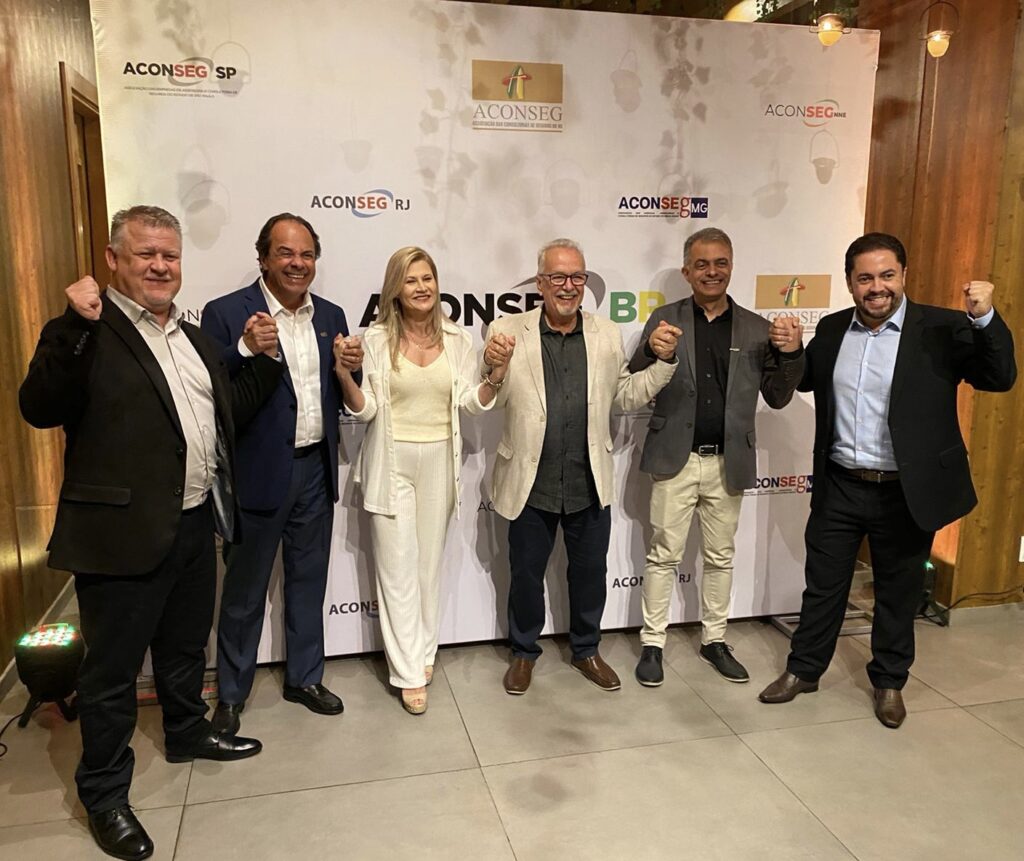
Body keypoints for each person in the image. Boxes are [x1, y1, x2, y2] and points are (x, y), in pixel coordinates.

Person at [19, 205, 282, 861]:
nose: (161, 266)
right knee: (111, 676)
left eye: (170, 255)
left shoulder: (192, 338)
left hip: (193, 522)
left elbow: (224, 414)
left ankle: (187, 731)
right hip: (118, 535)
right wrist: (75, 326)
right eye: (146, 254)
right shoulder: (88, 328)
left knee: (185, 647)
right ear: (114, 260)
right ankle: (105, 795)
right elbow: (39, 406)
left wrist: (262, 360)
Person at [759, 232, 1017, 728]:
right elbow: (804, 379)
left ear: (903, 275)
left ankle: (889, 681)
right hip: (840, 483)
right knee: (823, 586)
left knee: (898, 592)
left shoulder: (942, 327)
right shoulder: (833, 328)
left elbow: (999, 377)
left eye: (886, 275)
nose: (876, 286)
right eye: (865, 278)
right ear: (850, 283)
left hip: (906, 490)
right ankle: (804, 670)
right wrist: (790, 350)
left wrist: (985, 318)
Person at [484, 238, 680, 695]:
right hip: (528, 480)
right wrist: (493, 368)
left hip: (588, 479)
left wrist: (664, 361)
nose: (568, 286)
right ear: (540, 283)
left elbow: (624, 397)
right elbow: (491, 399)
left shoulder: (606, 333)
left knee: (590, 575)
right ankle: (523, 652)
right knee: (525, 576)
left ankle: (586, 649)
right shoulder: (506, 329)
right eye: (558, 276)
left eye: (577, 277)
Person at [200, 213, 362, 735]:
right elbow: (210, 391)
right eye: (286, 253)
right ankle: (231, 694)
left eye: (307, 254)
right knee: (244, 593)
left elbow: (342, 390)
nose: (298, 263)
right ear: (263, 258)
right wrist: (245, 349)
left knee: (309, 582)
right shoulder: (226, 313)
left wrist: (352, 365)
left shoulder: (330, 314)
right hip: (257, 475)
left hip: (315, 468)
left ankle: (305, 678)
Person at [336, 247, 510, 714]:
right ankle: (408, 672)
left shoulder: (458, 338)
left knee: (428, 567)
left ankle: (423, 652)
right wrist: (344, 376)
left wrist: (496, 374)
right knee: (397, 571)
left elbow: (472, 403)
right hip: (389, 460)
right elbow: (366, 409)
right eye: (410, 279)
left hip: (440, 460)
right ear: (395, 288)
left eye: (427, 278)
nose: (421, 287)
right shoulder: (375, 339)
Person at [629, 227, 805, 687]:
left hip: (729, 461)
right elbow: (635, 379)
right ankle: (653, 643)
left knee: (720, 557)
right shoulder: (664, 319)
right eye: (702, 264)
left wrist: (792, 353)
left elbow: (778, 396)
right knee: (662, 556)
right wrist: (650, 350)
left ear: (731, 266)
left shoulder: (756, 328)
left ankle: (715, 640)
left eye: (720, 263)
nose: (712, 272)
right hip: (675, 458)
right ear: (687, 271)